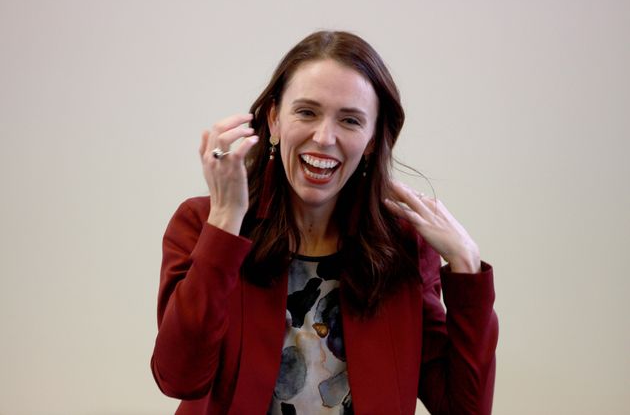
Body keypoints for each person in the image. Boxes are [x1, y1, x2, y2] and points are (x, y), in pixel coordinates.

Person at [151, 30, 498, 415]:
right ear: (274, 119)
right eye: (306, 112)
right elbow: (178, 377)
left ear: (370, 140)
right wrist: (225, 222)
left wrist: (467, 267)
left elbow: (465, 409)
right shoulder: (204, 224)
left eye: (350, 120)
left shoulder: (402, 247)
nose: (324, 137)